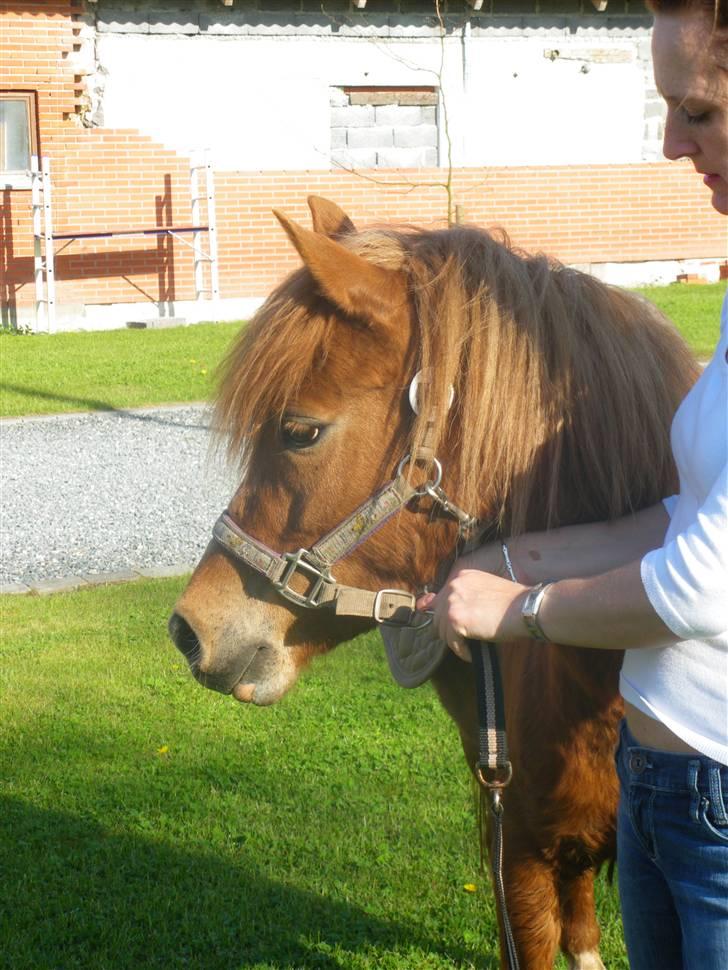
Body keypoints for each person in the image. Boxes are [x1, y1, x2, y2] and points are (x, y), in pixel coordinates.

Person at [417, 1, 728, 967]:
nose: (673, 141)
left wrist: (521, 606)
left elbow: (698, 587)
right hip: (669, 785)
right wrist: (518, 553)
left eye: (703, 110)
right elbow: (693, 519)